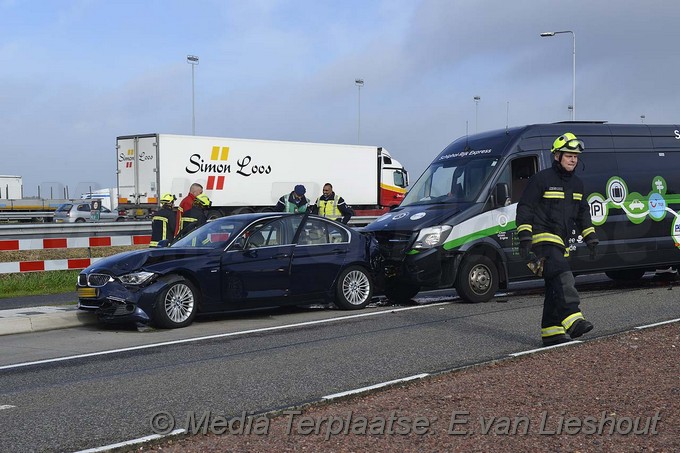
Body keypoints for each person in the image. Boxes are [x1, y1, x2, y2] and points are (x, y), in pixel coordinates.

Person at [516, 132, 599, 347]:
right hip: (541, 240)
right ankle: (573, 319)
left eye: (575, 156)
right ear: (557, 156)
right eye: (568, 155)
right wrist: (525, 236)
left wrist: (591, 238)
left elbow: (583, 213)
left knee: (554, 284)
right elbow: (525, 206)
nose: (573, 159)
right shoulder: (542, 179)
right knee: (563, 275)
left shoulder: (577, 185)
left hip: (561, 242)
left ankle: (551, 332)